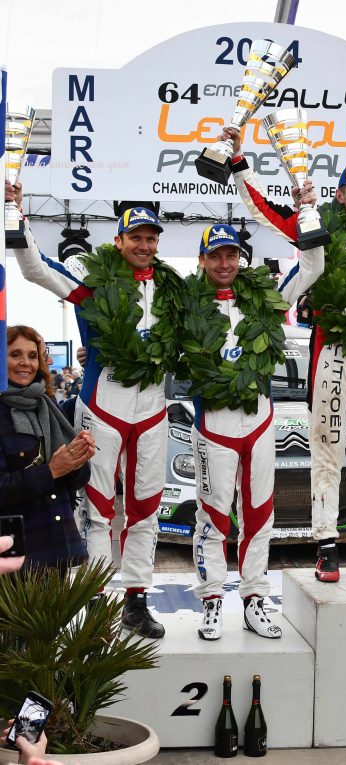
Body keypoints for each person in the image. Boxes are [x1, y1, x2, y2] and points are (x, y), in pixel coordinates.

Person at [224, 129, 346, 582]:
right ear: (340, 194)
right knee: (326, 450)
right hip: (330, 349)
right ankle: (326, 544)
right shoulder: (318, 225)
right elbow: (266, 213)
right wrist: (238, 163)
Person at [7, 180, 185, 639]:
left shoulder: (173, 294)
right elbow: (35, 270)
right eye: (136, 237)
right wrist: (15, 214)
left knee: (146, 511)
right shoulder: (91, 288)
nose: (143, 245)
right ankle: (98, 605)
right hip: (102, 408)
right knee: (97, 511)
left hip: (152, 411)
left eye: (151, 238)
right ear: (118, 241)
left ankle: (136, 600)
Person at [180, 223, 323, 640]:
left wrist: (307, 212)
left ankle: (254, 601)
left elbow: (313, 264)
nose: (225, 263)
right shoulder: (186, 303)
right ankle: (210, 602)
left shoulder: (266, 298)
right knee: (212, 520)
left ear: (240, 259)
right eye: (216, 256)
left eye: (231, 255)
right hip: (213, 426)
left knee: (260, 516)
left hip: (259, 423)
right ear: (202, 260)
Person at [1, 326, 95, 571]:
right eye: (15, 354)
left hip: (59, 549)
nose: (26, 363)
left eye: (33, 356)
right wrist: (51, 470)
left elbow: (74, 482)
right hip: (14, 560)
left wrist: (78, 459)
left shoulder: (47, 403)